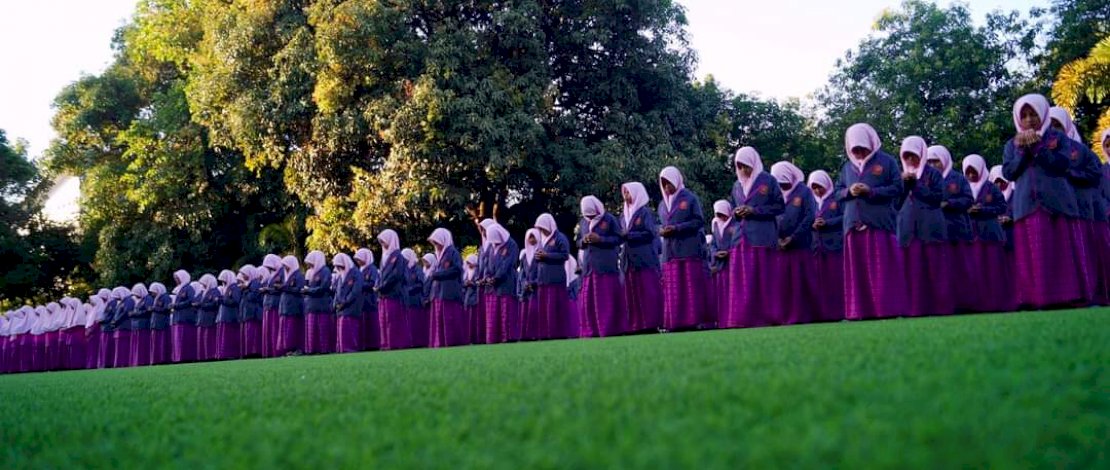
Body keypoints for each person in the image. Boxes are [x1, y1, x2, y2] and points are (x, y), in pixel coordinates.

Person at [1002, 94, 1086, 309]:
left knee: (1059, 252)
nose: (1029, 120)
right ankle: (1036, 299)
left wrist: (1039, 148)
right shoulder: (1012, 144)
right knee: (1033, 255)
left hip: (1056, 203)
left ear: (1043, 114)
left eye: (1033, 114)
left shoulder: (1057, 137)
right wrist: (1023, 150)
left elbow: (1063, 164)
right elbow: (1009, 172)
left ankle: (1067, 297)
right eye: (1025, 115)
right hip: (1026, 205)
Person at [836, 123, 908, 319]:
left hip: (879, 223)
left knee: (882, 270)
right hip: (853, 224)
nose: (859, 152)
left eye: (862, 148)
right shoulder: (847, 168)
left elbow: (897, 188)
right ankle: (859, 311)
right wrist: (848, 192)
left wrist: (872, 191)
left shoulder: (887, 161)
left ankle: (886, 309)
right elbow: (837, 192)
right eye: (855, 149)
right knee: (857, 272)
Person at [721, 149, 783, 328]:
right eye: (739, 166)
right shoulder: (737, 186)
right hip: (741, 239)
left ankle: (767, 317)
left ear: (753, 163)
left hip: (762, 237)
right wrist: (737, 211)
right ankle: (743, 318)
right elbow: (733, 207)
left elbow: (779, 206)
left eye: (745, 166)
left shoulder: (768, 181)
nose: (742, 170)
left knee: (764, 279)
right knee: (743, 280)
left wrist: (754, 211)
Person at [1050, 107, 1106, 304]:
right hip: (1057, 213)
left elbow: (1095, 175)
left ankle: (1092, 295)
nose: (1054, 129)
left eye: (1057, 124)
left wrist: (1071, 175)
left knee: (1086, 254)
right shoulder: (1044, 151)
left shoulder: (1081, 150)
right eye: (1050, 125)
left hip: (1083, 210)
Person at [897, 136, 953, 317]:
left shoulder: (933, 174)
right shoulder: (900, 177)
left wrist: (916, 185)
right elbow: (896, 203)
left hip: (930, 228)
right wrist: (906, 184)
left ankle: (941, 307)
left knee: (935, 269)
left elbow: (937, 198)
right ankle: (913, 309)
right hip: (908, 230)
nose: (911, 160)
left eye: (914, 156)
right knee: (912, 271)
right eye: (907, 156)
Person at [657, 166, 711, 331]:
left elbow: (698, 221)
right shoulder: (662, 205)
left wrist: (677, 228)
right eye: (663, 184)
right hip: (670, 252)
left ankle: (694, 321)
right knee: (673, 288)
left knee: (690, 287)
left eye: (669, 183)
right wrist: (662, 230)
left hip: (688, 250)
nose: (667, 187)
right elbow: (661, 224)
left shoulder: (690, 198)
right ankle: (675, 322)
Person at [962, 154, 1016, 313]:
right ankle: (978, 305)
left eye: (974, 171)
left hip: (991, 234)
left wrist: (983, 210)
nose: (972, 175)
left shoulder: (991, 187)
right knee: (975, 271)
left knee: (994, 270)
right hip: (972, 235)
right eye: (968, 172)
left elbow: (1001, 207)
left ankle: (999, 304)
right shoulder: (964, 188)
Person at [926, 145, 976, 312]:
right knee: (941, 271)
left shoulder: (957, 178)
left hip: (957, 229)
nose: (933, 165)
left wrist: (950, 203)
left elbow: (968, 199)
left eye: (936, 161)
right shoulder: (926, 179)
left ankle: (966, 304)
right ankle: (944, 305)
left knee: (961, 269)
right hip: (936, 232)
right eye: (929, 162)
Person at [771, 160, 817, 325]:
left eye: (784, 183)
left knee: (801, 283)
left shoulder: (804, 191)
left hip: (800, 245)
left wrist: (793, 237)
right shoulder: (774, 194)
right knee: (782, 285)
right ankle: (782, 317)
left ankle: (804, 316)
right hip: (780, 248)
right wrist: (776, 238)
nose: (782, 186)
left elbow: (809, 216)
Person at [576, 195, 626, 337]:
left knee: (607, 300)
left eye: (592, 214)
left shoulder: (609, 219)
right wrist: (584, 241)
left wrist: (600, 239)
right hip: (589, 267)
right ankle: (591, 331)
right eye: (587, 215)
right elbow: (578, 241)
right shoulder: (583, 223)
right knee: (589, 303)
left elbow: (618, 238)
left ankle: (610, 329)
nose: (590, 218)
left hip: (606, 266)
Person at [619, 182, 663, 334]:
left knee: (648, 291)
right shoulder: (623, 215)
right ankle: (635, 325)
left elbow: (650, 233)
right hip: (629, 259)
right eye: (624, 193)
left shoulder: (644, 212)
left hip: (644, 257)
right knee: (632, 292)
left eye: (628, 192)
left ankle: (650, 324)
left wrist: (629, 235)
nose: (626, 196)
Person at [807, 170, 844, 322]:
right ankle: (820, 314)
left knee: (835, 281)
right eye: (814, 187)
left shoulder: (836, 198)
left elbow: (845, 216)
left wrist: (827, 223)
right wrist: (812, 224)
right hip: (816, 247)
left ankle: (838, 313)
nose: (817, 190)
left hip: (834, 245)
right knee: (818, 283)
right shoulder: (810, 202)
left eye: (819, 186)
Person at [533, 213, 574, 339]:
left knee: (556, 308)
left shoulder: (560, 238)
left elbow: (565, 255)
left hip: (555, 279)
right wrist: (538, 257)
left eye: (543, 228)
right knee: (544, 309)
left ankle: (559, 334)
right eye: (539, 228)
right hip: (543, 280)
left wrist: (547, 256)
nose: (541, 231)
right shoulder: (542, 241)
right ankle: (546, 334)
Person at [427, 228, 468, 347]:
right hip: (439, 292)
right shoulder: (440, 255)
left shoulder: (452, 252)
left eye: (437, 242)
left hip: (449, 292)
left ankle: (452, 341)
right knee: (440, 319)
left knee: (450, 319)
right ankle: (440, 342)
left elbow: (456, 269)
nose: (436, 245)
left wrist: (438, 275)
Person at [482, 223, 520, 343]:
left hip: (506, 282)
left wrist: (496, 277)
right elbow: (487, 263)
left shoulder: (511, 244)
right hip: (493, 286)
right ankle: (495, 338)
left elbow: (508, 263)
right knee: (494, 313)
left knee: (507, 311)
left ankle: (508, 337)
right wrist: (488, 276)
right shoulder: (491, 246)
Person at [376, 230, 412, 350]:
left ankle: (396, 343)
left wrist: (384, 286)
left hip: (394, 293)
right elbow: (381, 275)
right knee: (384, 320)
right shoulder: (384, 256)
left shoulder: (398, 256)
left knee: (394, 319)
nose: (383, 244)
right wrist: (378, 286)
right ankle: (385, 343)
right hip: (384, 294)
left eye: (384, 241)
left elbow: (397, 275)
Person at [303, 250, 334, 355]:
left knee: (322, 328)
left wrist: (309, 290)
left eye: (311, 262)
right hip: (311, 305)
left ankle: (324, 349)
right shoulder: (311, 272)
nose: (309, 264)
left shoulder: (325, 271)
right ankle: (312, 349)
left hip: (321, 304)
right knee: (312, 328)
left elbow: (324, 287)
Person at [332, 253, 365, 353]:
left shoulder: (355, 273)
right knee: (341, 329)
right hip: (341, 308)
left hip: (352, 306)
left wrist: (345, 302)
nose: (338, 268)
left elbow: (356, 291)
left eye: (340, 266)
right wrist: (335, 304)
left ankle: (350, 348)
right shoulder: (341, 275)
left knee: (349, 328)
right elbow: (337, 291)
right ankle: (342, 348)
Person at [277, 255, 306, 355]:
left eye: (286, 265)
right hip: (285, 307)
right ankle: (288, 349)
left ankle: (297, 349)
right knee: (287, 330)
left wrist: (285, 288)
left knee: (294, 328)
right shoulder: (286, 276)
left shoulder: (299, 275)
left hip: (294, 306)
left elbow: (299, 289)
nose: (285, 268)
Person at [354, 248, 380, 351]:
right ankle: (363, 344)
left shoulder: (372, 269)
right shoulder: (359, 270)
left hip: (370, 299)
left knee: (371, 322)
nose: (358, 261)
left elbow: (372, 283)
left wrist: (359, 286)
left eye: (360, 259)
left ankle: (372, 345)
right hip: (361, 301)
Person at [518, 229, 542, 340]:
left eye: (533, 237)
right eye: (530, 237)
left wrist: (534, 283)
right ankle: (525, 336)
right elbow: (521, 273)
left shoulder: (541, 252)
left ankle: (536, 335)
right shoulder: (524, 255)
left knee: (535, 312)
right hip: (526, 290)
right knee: (525, 313)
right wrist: (524, 283)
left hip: (537, 289)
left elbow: (543, 272)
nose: (532, 240)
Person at [259, 254, 284, 357]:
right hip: (268, 304)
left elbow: (281, 288)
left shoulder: (281, 272)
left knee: (274, 329)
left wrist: (268, 290)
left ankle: (276, 351)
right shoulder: (272, 274)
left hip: (275, 303)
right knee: (267, 330)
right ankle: (268, 352)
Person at [238, 266, 263, 358]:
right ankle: (247, 352)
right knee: (248, 334)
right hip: (248, 312)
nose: (243, 276)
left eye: (244, 274)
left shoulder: (255, 283)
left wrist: (246, 288)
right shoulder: (250, 283)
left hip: (254, 312)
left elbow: (252, 297)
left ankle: (254, 353)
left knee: (253, 334)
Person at [216, 270, 242, 360]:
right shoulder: (226, 288)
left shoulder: (234, 288)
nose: (223, 282)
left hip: (231, 316)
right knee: (223, 336)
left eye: (224, 280)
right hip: (223, 315)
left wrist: (222, 300)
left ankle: (231, 354)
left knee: (230, 337)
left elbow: (235, 301)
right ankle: (222, 354)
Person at [988, 165, 1015, 252]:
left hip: (1013, 239)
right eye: (996, 182)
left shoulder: (1016, 195)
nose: (999, 185)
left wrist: (1011, 219)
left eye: (1002, 181)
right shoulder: (988, 198)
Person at [407, 250, 430, 348]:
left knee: (417, 322)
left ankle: (420, 342)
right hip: (407, 300)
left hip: (416, 299)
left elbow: (421, 284)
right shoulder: (404, 270)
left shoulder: (417, 269)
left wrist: (409, 290)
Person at [195, 274, 219, 361]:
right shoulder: (203, 292)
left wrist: (202, 305)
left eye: (204, 283)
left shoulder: (215, 291)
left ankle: (210, 355)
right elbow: (196, 300)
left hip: (210, 318)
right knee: (202, 338)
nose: (203, 285)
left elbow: (214, 304)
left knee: (209, 338)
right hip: (201, 318)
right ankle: (202, 356)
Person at [129, 284, 152, 367]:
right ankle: (136, 361)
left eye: (136, 293)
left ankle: (143, 361)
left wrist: (135, 313)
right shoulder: (139, 300)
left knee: (142, 345)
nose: (135, 295)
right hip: (136, 325)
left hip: (143, 325)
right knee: (136, 344)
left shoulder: (147, 299)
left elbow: (147, 311)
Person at [148, 282, 171, 365]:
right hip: (155, 323)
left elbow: (166, 309)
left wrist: (154, 309)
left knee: (162, 342)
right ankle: (155, 360)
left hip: (162, 323)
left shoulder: (165, 297)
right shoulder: (156, 298)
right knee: (155, 343)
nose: (152, 294)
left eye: (153, 292)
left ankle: (162, 359)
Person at [84, 294, 104, 370]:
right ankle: (89, 364)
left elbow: (97, 321)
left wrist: (90, 330)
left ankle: (94, 364)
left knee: (94, 349)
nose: (91, 302)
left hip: (96, 332)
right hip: (90, 331)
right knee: (90, 349)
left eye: (92, 300)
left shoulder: (100, 309)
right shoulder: (93, 309)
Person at [463, 255, 480, 338]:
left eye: (470, 263)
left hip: (475, 296)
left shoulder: (478, 271)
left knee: (474, 318)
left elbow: (479, 283)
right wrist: (465, 283)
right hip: (467, 297)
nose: (469, 265)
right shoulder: (466, 272)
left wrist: (472, 283)